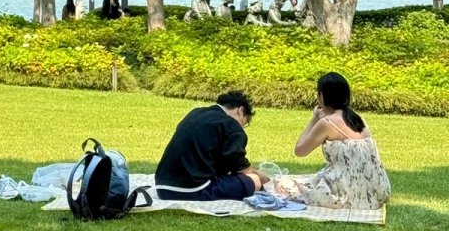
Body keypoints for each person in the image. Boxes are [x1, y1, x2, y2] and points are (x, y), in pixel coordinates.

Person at [271, 73, 390, 209]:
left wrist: (314, 118)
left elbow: (300, 150)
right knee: (312, 178)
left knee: (280, 182)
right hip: (376, 191)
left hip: (345, 193)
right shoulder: (359, 119)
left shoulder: (327, 123)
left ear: (322, 96)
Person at [155, 91, 264, 201]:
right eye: (244, 123)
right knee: (254, 180)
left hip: (162, 187)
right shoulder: (231, 126)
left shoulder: (195, 113)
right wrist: (266, 179)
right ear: (241, 110)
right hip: (193, 189)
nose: (242, 127)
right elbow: (242, 168)